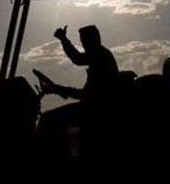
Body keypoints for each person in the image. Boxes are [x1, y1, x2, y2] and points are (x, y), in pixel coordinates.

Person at [33, 25, 119, 174]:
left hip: (97, 110)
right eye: (82, 42)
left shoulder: (100, 56)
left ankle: (54, 169)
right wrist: (57, 89)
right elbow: (86, 94)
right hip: (93, 107)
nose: (84, 45)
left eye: (85, 41)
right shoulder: (101, 57)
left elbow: (77, 61)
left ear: (95, 40)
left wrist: (63, 39)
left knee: (48, 119)